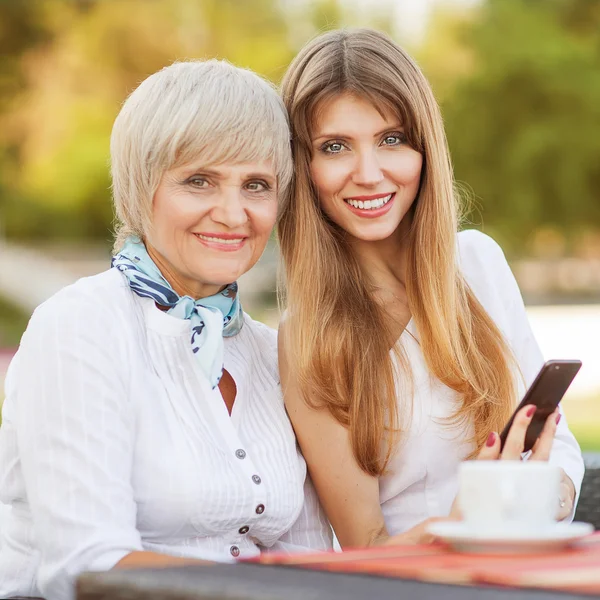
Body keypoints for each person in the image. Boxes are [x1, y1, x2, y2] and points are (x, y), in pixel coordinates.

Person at [0, 59, 332, 600]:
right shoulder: (80, 326)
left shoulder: (275, 352)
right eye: (199, 181)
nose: (232, 212)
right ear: (140, 187)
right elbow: (89, 567)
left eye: (256, 185)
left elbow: (308, 558)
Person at [277, 28, 584, 548]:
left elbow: (562, 447)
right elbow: (365, 549)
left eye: (391, 140)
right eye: (335, 147)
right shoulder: (309, 339)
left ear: (425, 149)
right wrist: (466, 523)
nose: (369, 174)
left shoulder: (478, 263)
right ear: (302, 168)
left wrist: (535, 496)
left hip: (526, 566)